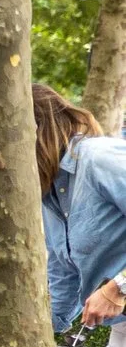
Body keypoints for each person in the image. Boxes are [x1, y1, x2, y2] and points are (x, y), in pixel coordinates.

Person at [42, 84, 121, 329]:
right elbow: (63, 273)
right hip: (116, 325)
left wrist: (118, 287)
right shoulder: (50, 190)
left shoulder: (100, 159)